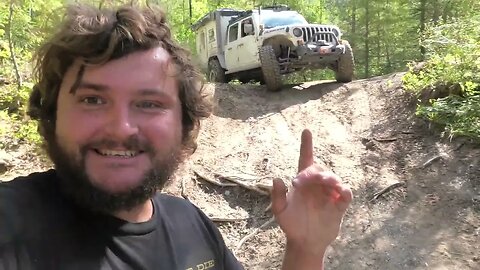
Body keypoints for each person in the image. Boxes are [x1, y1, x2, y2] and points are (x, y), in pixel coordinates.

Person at [0, 3, 352, 270]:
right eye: (92, 99)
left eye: (148, 103)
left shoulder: (191, 224)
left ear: (184, 124)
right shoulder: (12, 224)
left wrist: (305, 248)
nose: (121, 128)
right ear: (52, 113)